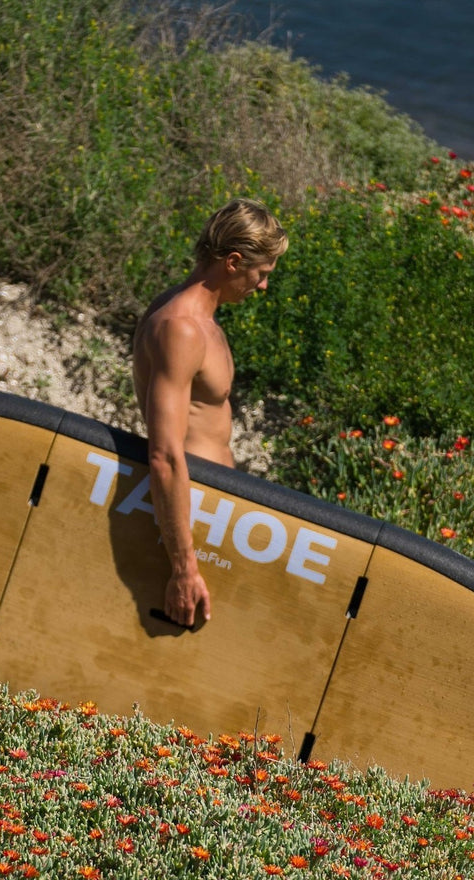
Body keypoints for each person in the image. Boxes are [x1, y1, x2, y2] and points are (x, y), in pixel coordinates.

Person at [132, 199, 288, 627]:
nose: (262, 288)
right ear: (234, 261)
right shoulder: (180, 328)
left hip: (211, 508)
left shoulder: (198, 320)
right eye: (262, 274)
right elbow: (164, 454)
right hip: (193, 515)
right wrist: (183, 567)